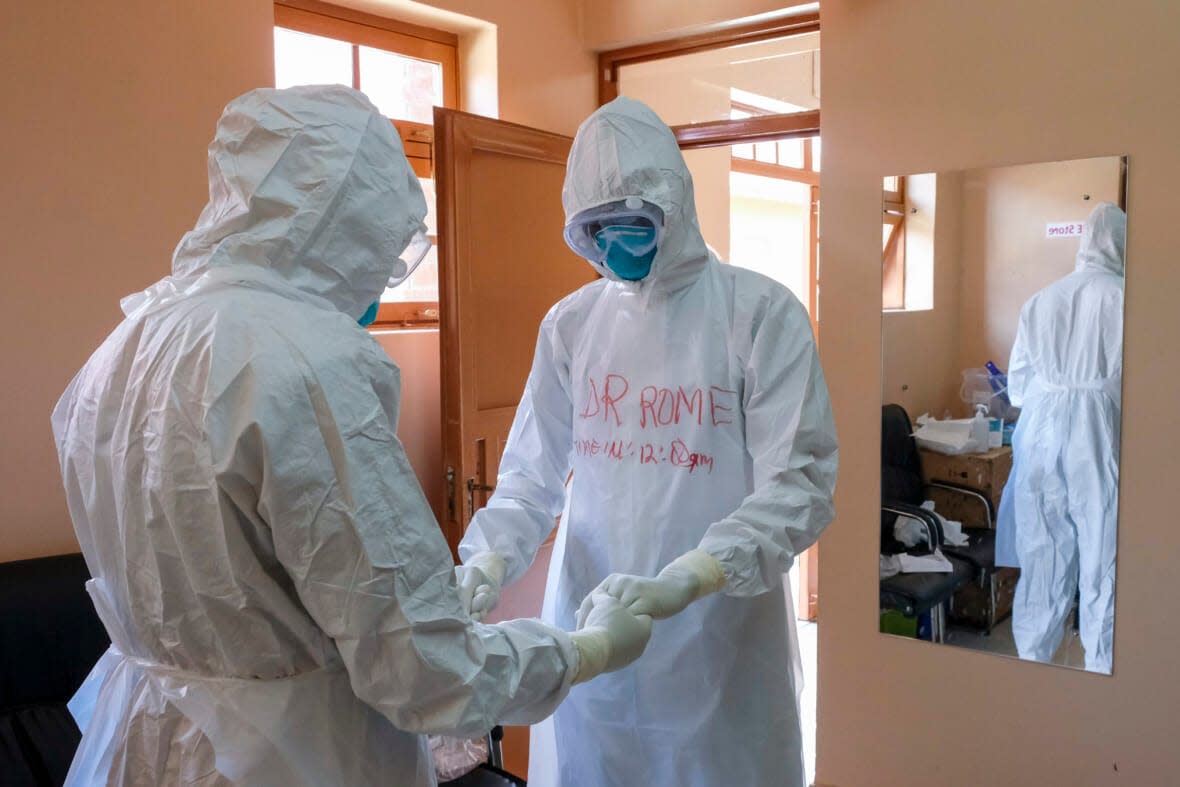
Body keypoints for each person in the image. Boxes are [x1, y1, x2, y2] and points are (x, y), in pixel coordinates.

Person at [51, 85, 653, 787]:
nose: (381, 272)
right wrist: (580, 651)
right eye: (381, 241)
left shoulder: (127, 345)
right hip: (288, 757)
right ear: (345, 222)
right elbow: (426, 671)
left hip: (143, 741)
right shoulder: (307, 361)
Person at [456, 96, 838, 787]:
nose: (612, 245)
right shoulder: (571, 326)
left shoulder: (758, 315)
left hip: (718, 641)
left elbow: (799, 486)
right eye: (594, 229)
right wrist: (485, 563)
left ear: (675, 205)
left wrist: (684, 580)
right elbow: (528, 478)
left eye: (629, 223)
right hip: (594, 631)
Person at [1007, 201, 1126, 673]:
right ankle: (1102, 668)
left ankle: (1032, 663)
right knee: (1103, 555)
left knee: (1044, 551)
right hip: (1097, 432)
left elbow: (1017, 385)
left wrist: (1053, 392)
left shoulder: (1040, 300)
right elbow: (1132, 385)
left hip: (1040, 428)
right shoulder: (1123, 298)